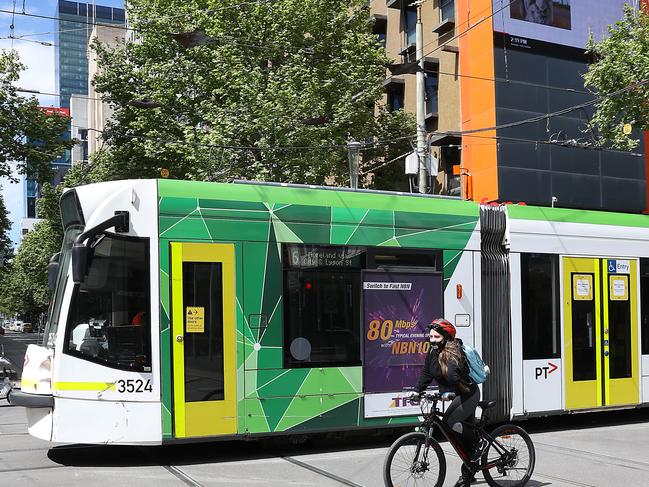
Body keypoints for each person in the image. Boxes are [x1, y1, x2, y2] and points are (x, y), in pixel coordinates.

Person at [415, 318, 481, 487]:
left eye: (436, 337)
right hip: (454, 395)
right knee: (456, 432)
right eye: (430, 337)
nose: (432, 340)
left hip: (467, 394)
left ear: (445, 337)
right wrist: (417, 391)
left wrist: (449, 392)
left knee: (450, 423)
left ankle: (477, 440)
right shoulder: (432, 352)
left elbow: (453, 377)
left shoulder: (453, 352)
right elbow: (426, 374)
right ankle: (469, 474)